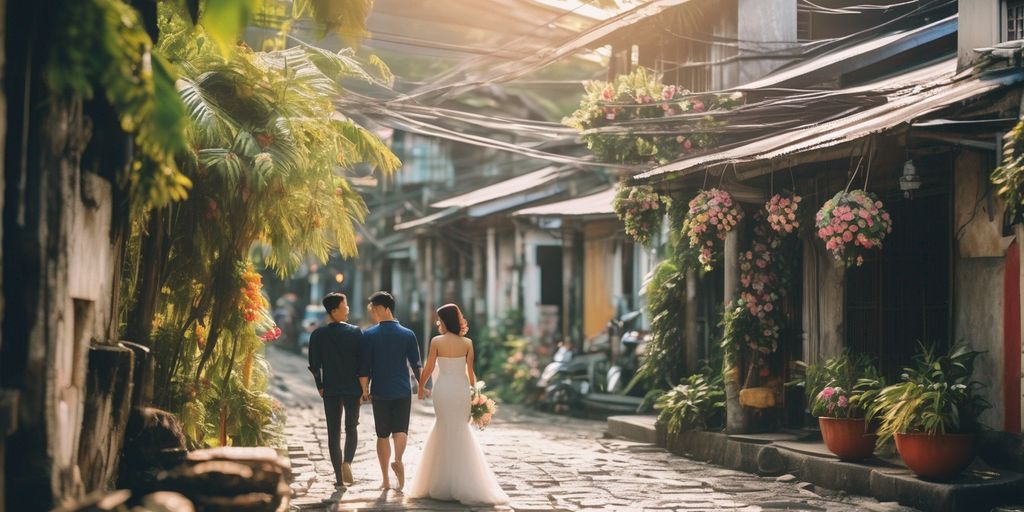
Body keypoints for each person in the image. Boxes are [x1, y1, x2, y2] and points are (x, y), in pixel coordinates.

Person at [408, 303, 509, 506]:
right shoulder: (468, 343)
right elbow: (470, 373)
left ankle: (440, 483)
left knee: (443, 426)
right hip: (461, 390)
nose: (438, 323)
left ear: (444, 321)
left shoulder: (436, 341)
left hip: (443, 389)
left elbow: (428, 367)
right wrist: (476, 394)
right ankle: (465, 481)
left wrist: (420, 387)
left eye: (439, 319)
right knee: (460, 428)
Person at [359, 291, 421, 491]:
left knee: (382, 434)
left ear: (386, 308)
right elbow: (416, 363)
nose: (374, 312)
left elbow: (364, 367)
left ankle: (385, 480)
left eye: (375, 308)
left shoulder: (369, 334)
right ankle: (399, 459)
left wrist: (364, 389)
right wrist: (422, 385)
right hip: (403, 390)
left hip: (380, 391)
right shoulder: (407, 334)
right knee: (401, 430)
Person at [306, 292, 364, 487]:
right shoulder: (356, 332)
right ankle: (347, 462)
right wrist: (364, 387)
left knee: (333, 432)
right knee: (351, 427)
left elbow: (314, 365)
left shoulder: (318, 335)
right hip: (352, 388)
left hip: (330, 389)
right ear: (334, 310)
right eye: (344, 306)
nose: (347, 309)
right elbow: (363, 364)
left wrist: (320, 386)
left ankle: (339, 479)